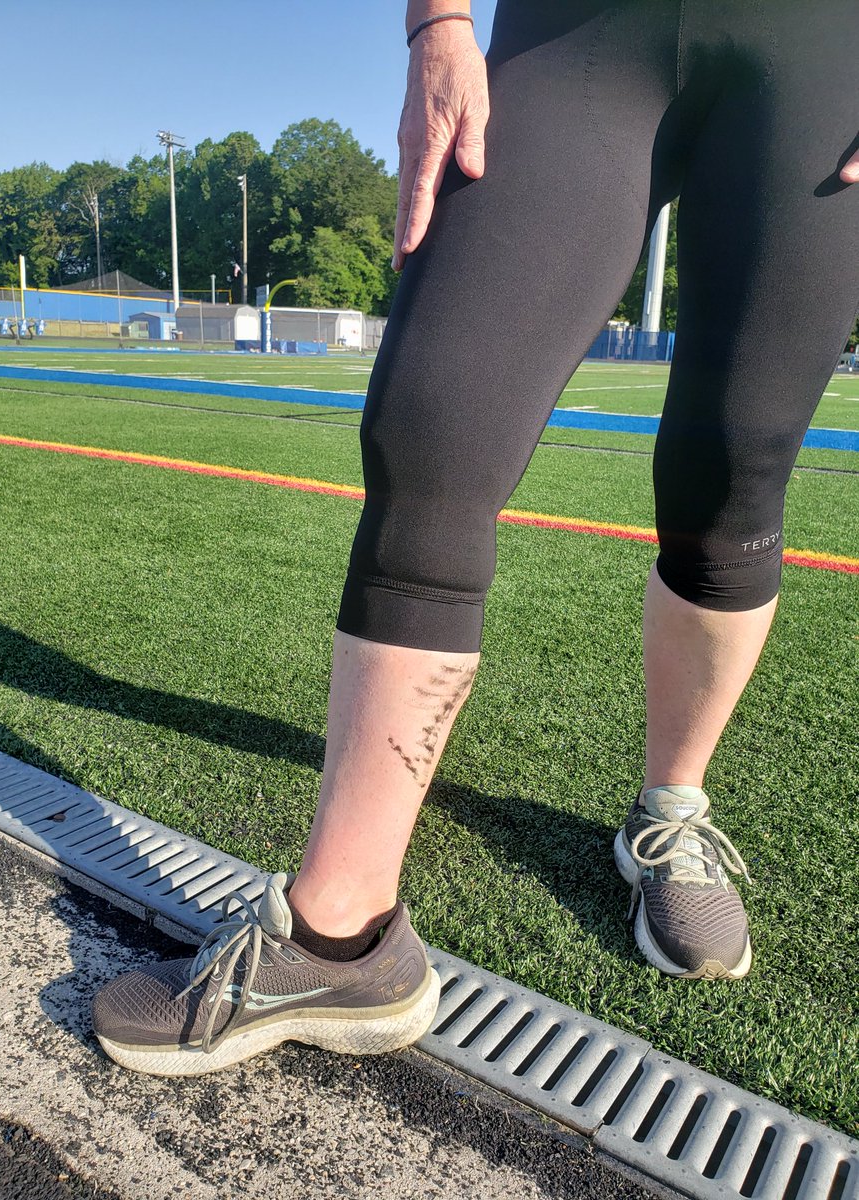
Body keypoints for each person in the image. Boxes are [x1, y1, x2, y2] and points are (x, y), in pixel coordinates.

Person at [92, 0, 859, 1075]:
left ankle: (671, 812)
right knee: (435, 422)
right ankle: (340, 935)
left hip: (821, 52)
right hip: (578, 33)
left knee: (731, 468)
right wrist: (437, 24)